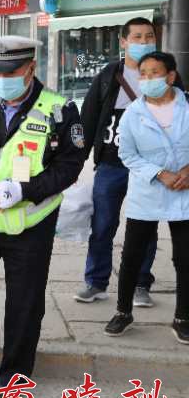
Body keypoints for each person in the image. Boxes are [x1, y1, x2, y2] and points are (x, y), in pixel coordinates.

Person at [0, 36, 84, 398]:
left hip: (30, 223)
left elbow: (70, 167)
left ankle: (14, 376)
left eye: (9, 72)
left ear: (30, 69)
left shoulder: (59, 110)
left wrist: (25, 190)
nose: (1, 79)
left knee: (25, 302)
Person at [76, 17, 181, 306]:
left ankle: (140, 284)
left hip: (151, 170)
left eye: (149, 37)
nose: (144, 42)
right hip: (111, 164)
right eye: (137, 37)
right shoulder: (109, 75)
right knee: (102, 225)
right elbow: (88, 119)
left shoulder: (167, 75)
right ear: (124, 42)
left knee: (145, 229)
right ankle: (95, 282)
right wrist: (75, 163)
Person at [105, 51, 189, 344]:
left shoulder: (187, 106)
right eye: (143, 74)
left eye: (155, 72)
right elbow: (127, 154)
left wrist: (187, 171)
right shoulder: (133, 113)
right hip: (148, 190)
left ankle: (183, 317)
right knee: (132, 255)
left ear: (171, 76)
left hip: (184, 190)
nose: (148, 78)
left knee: (185, 257)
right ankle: (123, 311)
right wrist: (159, 173)